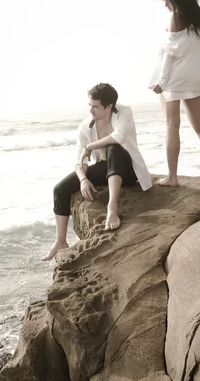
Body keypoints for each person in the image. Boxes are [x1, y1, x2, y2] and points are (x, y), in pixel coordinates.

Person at [42, 83, 152, 261]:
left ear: (109, 106)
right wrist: (83, 179)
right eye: (89, 105)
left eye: (95, 106)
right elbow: (81, 160)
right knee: (59, 189)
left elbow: (119, 137)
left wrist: (90, 146)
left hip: (128, 171)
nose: (91, 110)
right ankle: (60, 240)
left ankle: (112, 206)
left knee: (113, 148)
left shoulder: (124, 112)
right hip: (105, 169)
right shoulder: (86, 126)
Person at [148, 0, 200, 187]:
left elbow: (170, 54)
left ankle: (172, 177)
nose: (164, 4)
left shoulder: (175, 17)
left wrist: (162, 82)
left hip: (176, 77)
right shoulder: (199, 17)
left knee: (172, 125)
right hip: (195, 75)